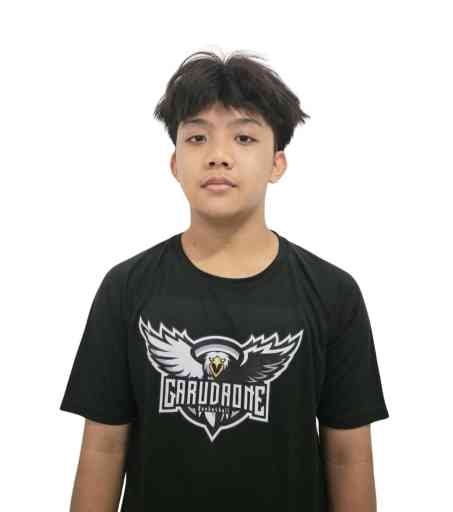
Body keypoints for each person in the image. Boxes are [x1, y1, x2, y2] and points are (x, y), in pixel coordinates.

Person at [60, 49, 389, 512]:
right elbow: (104, 447)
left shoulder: (333, 294)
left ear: (277, 163)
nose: (218, 156)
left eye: (244, 137)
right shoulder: (127, 289)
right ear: (175, 163)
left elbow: (347, 456)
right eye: (197, 137)